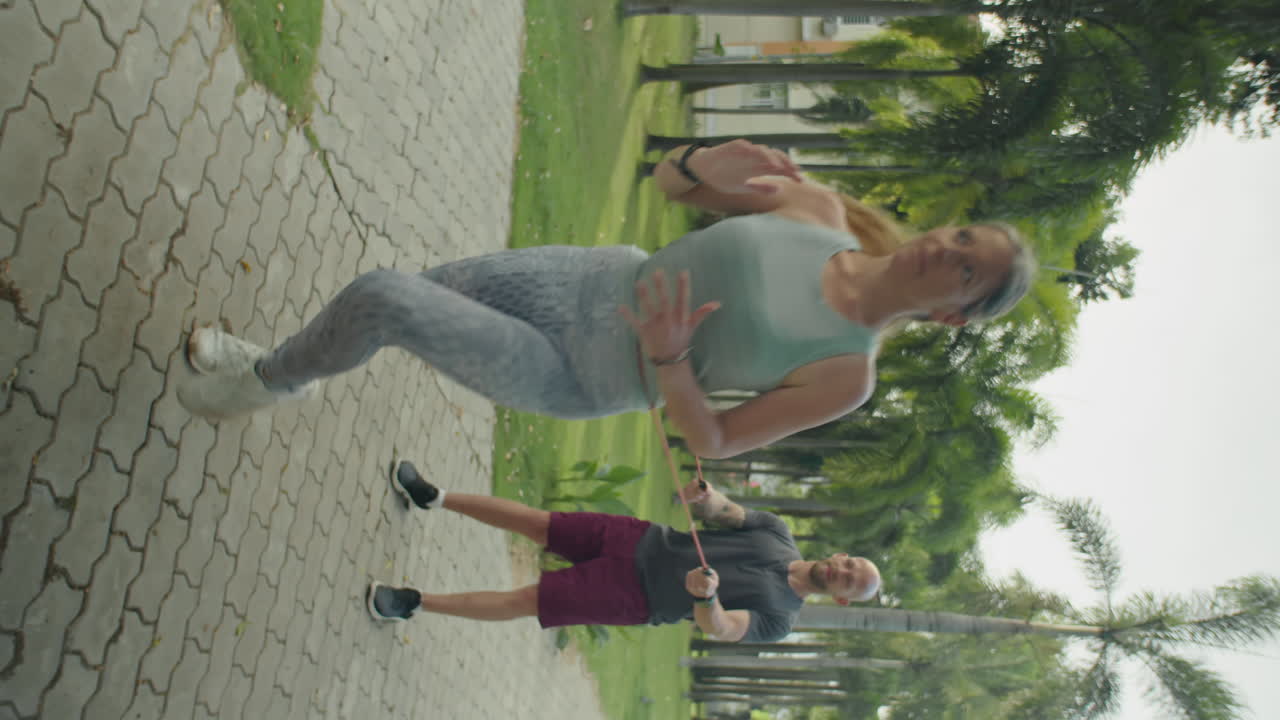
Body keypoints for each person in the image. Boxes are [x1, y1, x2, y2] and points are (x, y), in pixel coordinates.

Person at [178, 139, 1036, 458]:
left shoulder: (847, 372)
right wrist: (704, 163)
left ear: (955, 315)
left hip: (583, 370)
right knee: (399, 300)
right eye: (964, 237)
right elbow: (672, 183)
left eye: (968, 271)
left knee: (386, 298)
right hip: (584, 274)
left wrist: (668, 357)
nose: (945, 250)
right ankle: (282, 364)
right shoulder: (815, 209)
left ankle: (263, 383)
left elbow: (716, 441)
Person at [366, 459, 881, 642]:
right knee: (538, 523)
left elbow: (722, 628)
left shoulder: (780, 619)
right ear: (842, 553)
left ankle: (413, 603)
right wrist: (705, 498)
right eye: (850, 564)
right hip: (639, 539)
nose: (842, 571)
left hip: (637, 596)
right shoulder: (777, 531)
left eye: (850, 583)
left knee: (529, 599)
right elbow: (728, 514)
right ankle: (435, 498)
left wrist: (706, 600)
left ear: (840, 599)